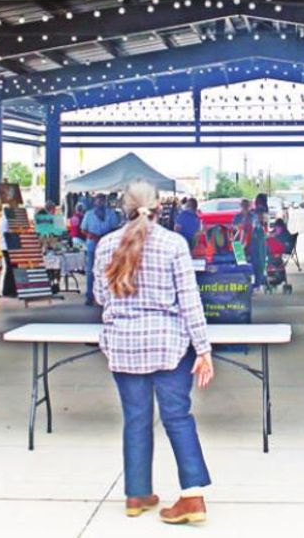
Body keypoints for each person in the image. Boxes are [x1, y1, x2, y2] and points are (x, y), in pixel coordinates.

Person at [93, 181, 213, 525]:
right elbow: (190, 301)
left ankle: (136, 494)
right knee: (177, 416)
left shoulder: (105, 246)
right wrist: (203, 349)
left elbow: (101, 297)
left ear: (123, 208)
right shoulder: (173, 244)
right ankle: (192, 498)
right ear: (159, 208)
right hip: (168, 346)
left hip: (123, 346)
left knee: (135, 418)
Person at [82, 192, 120, 305]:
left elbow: (115, 228)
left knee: (109, 270)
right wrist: (92, 236)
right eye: (98, 200)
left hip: (108, 246)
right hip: (92, 245)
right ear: (95, 202)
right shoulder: (88, 214)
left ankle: (108, 295)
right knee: (90, 271)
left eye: (102, 200)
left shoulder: (111, 213)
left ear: (105, 201)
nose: (100, 202)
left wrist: (106, 236)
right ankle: (89, 295)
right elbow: (83, 229)